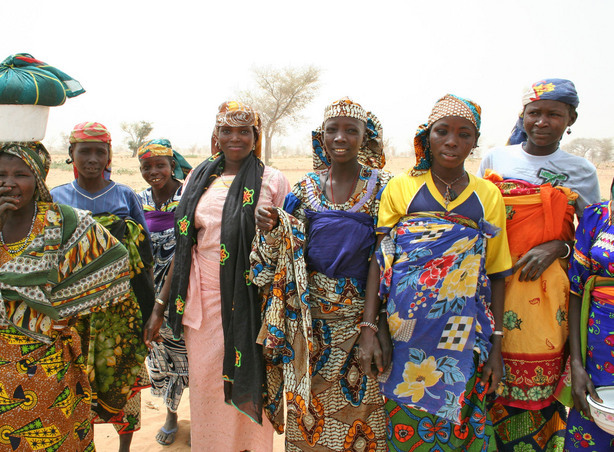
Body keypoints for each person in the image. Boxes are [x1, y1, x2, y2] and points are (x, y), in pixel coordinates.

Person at [0, 141, 132, 451]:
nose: (9, 183)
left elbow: (114, 265)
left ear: (38, 177)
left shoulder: (63, 223)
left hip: (52, 364)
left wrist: (68, 309)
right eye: (0, 175)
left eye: (21, 174)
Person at [360, 94, 511, 451]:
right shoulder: (401, 188)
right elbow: (381, 263)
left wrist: (498, 346)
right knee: (406, 424)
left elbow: (498, 273)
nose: (452, 141)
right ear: (427, 136)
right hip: (404, 330)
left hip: (464, 331)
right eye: (442, 132)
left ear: (475, 142)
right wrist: (371, 327)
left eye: (464, 134)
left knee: (462, 423)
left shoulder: (487, 195)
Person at [144, 100, 290, 451]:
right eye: (227, 130)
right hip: (203, 304)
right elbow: (185, 246)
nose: (235, 138)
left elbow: (292, 241)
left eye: (244, 131)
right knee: (209, 389)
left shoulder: (273, 180)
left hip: (252, 303)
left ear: (256, 136)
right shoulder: (198, 177)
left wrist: (277, 226)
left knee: (254, 381)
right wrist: (160, 305)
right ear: (217, 134)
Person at [255, 97, 392, 451]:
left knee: (363, 417)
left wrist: (371, 327)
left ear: (366, 137)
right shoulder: (303, 191)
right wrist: (271, 228)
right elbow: (276, 259)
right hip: (309, 328)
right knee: (309, 417)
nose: (341, 137)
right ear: (322, 137)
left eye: (351, 130)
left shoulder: (384, 188)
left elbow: (388, 257)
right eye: (333, 130)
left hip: (363, 322)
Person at [478, 79, 600, 451]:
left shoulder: (581, 171)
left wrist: (558, 248)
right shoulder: (497, 159)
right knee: (488, 382)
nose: (542, 122)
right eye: (535, 113)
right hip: (495, 289)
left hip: (548, 302)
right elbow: (481, 223)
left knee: (542, 394)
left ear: (570, 119)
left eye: (554, 114)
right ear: (524, 116)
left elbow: (591, 239)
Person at [51, 122, 152, 452]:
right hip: (74, 311)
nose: (92, 158)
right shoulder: (57, 198)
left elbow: (144, 258)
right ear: (71, 154)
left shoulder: (124, 196)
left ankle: (124, 448)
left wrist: (151, 312)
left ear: (109, 155)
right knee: (76, 386)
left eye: (100, 151)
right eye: (85, 151)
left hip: (120, 310)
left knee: (124, 379)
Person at [136, 138, 192, 446]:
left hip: (185, 290)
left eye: (161, 165)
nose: (154, 171)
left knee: (192, 358)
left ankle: (200, 416)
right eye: (147, 166)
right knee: (159, 356)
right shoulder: (139, 198)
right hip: (150, 292)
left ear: (172, 166)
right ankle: (171, 414)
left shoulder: (188, 194)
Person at [566, 180, 614, 451]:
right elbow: (576, 290)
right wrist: (576, 363)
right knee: (592, 432)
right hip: (599, 351)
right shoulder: (597, 217)